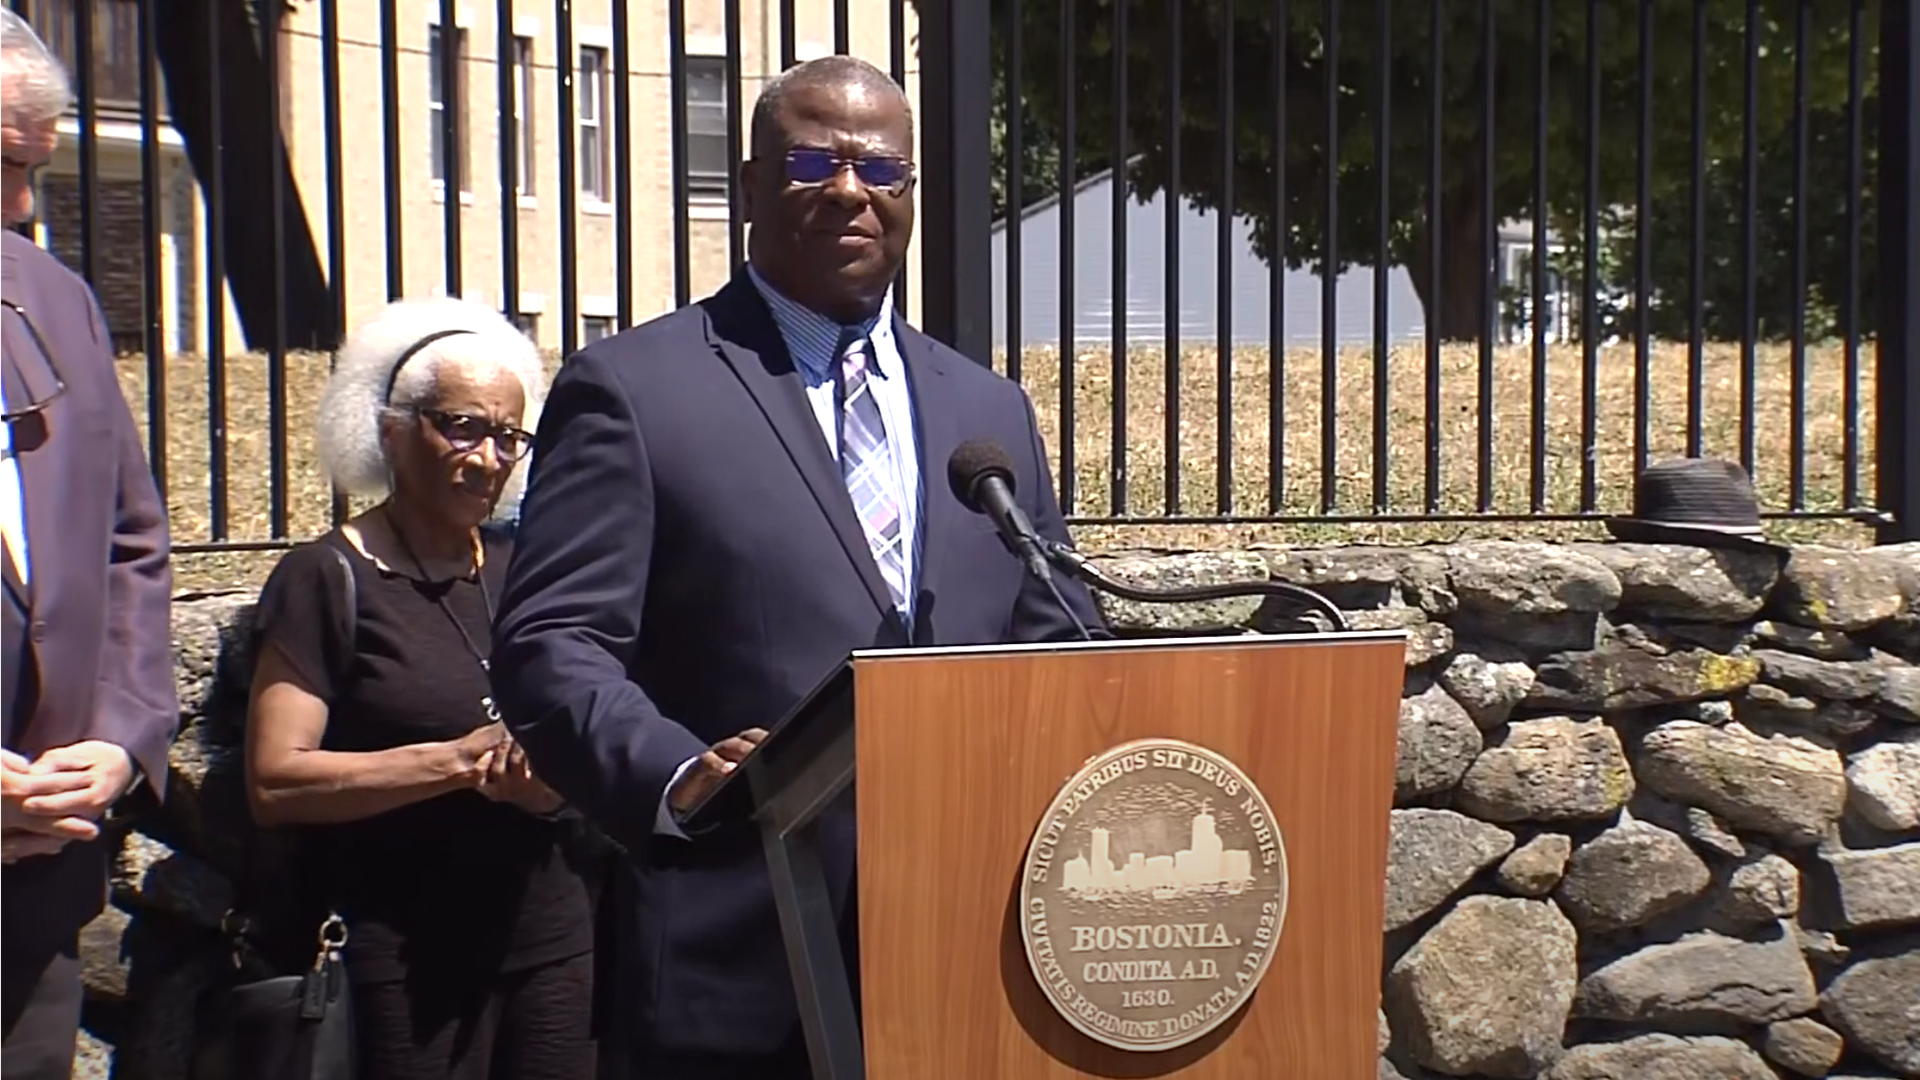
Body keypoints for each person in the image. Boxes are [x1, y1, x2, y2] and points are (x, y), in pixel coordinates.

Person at [489, 55, 1106, 1080]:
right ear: (748, 185)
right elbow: (553, 646)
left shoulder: (987, 413)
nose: (850, 189)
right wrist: (681, 774)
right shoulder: (636, 392)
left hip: (979, 952)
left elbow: (1057, 630)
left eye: (882, 170)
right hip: (739, 955)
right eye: (812, 160)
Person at [244, 297, 602, 1080]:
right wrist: (455, 765)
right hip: (400, 957)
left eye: (509, 436)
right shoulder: (326, 578)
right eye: (462, 426)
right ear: (389, 427)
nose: (487, 458)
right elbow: (276, 780)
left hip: (550, 941)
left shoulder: (528, 570)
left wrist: (551, 787)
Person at [0, 12, 177, 1079]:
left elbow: (130, 544)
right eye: (4, 166)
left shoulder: (52, 300)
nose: (23, 207)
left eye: (35, 171)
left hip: (31, 900)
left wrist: (116, 739)